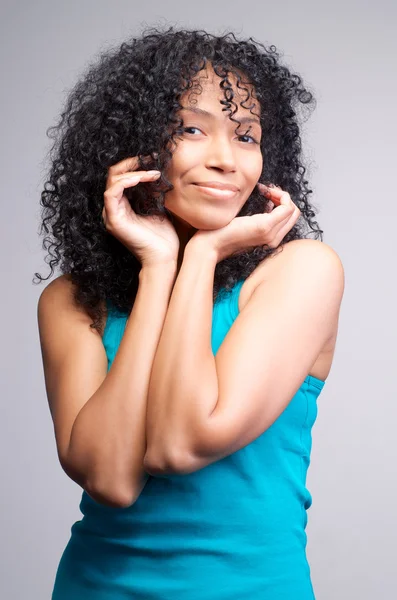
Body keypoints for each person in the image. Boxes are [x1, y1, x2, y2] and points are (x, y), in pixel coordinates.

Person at [35, 25, 344, 600]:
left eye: (247, 136)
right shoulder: (72, 301)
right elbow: (111, 479)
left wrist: (201, 253)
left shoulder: (302, 271)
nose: (227, 159)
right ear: (132, 146)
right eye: (191, 129)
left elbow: (177, 446)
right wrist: (160, 266)